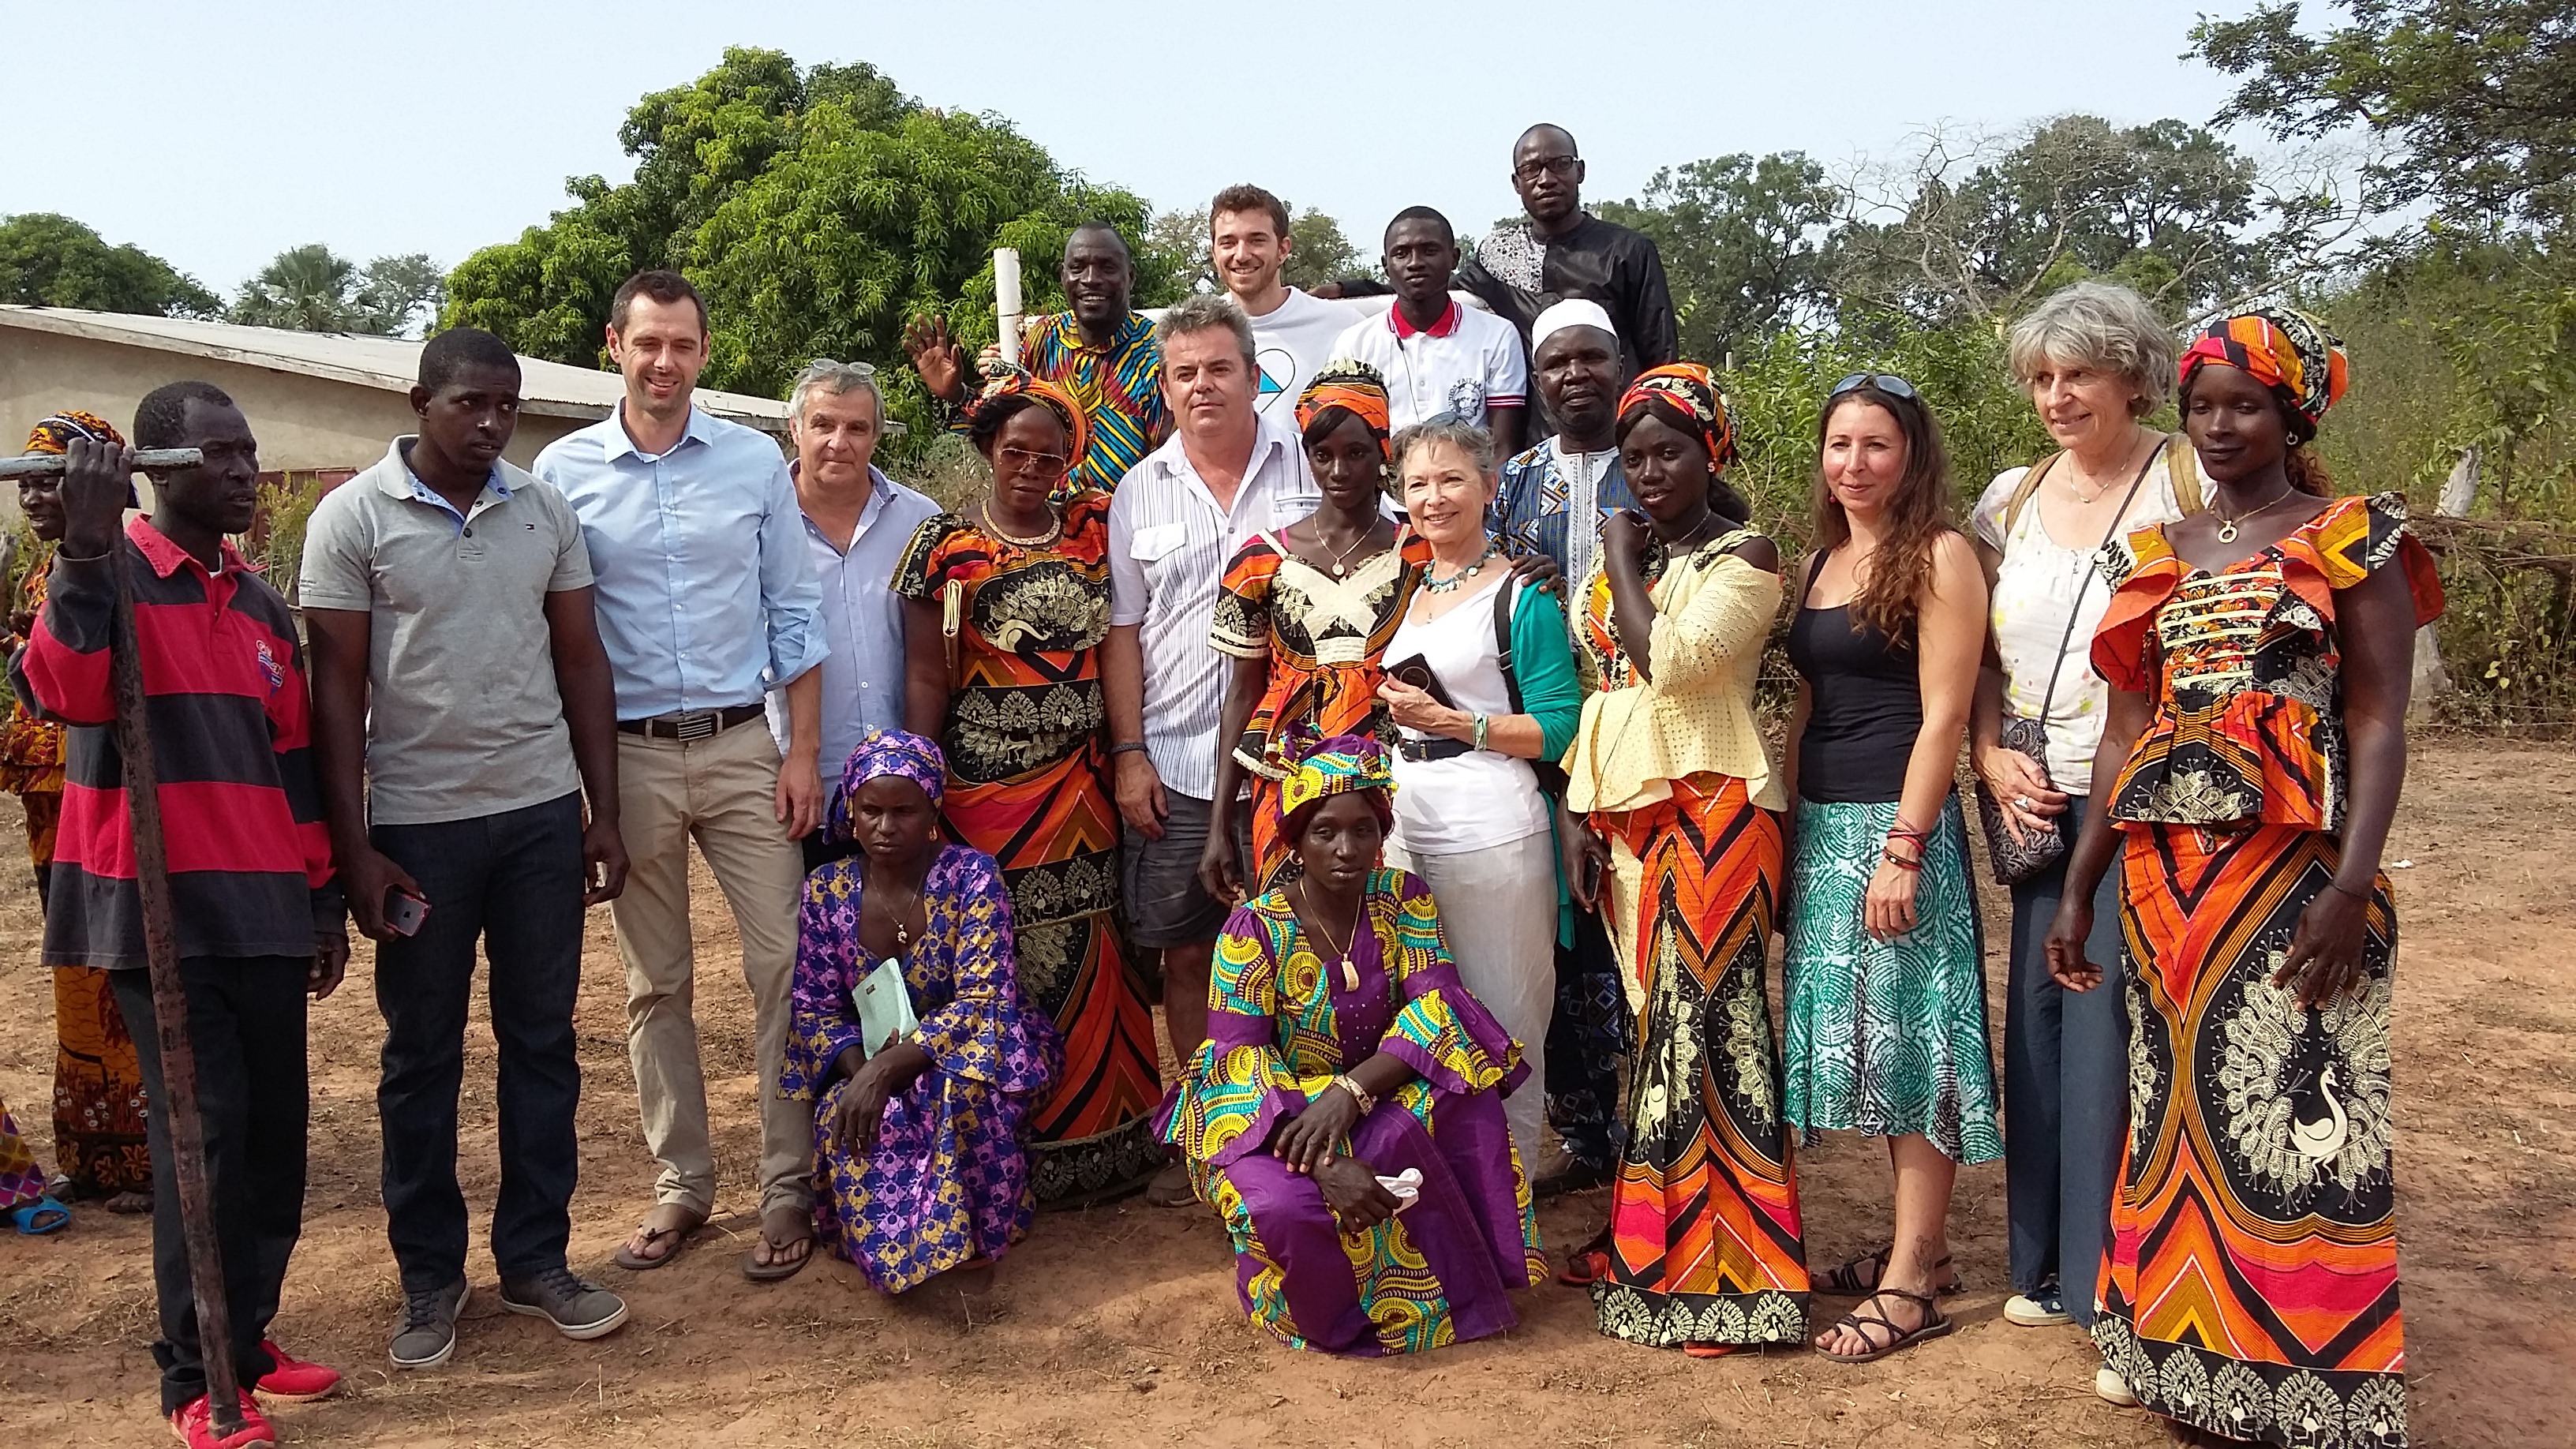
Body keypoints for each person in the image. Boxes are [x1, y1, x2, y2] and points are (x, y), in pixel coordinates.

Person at [2049, 310, 2432, 1449]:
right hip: (2166, 878)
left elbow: (2376, 720)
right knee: (2177, 1114)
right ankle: (2178, 1356)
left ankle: (2305, 1376)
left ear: (2295, 412)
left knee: (2291, 1112)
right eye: (2204, 403)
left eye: (2246, 405)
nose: (2219, 425)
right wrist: (2082, 885)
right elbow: (2126, 735)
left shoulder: (2351, 536)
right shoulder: (2158, 552)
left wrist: (2354, 887)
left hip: (2292, 876)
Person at [15, 384, 347, 1446]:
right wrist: (80, 546)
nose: (248, 471)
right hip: (154, 915)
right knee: (201, 1144)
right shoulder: (103, 572)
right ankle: (195, 1382)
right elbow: (60, 692)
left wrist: (322, 900)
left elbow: (292, 763)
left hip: (262, 909)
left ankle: (246, 1339)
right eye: (222, 454)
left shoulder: (257, 602)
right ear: (158, 468)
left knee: (273, 1143)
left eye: (251, 450)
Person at [301, 327, 632, 1369]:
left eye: (506, 405)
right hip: (417, 831)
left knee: (544, 1046)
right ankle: (429, 1282)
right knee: (420, 1060)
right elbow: (334, 693)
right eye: (470, 405)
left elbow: (582, 661)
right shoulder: (351, 519)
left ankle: (536, 1261)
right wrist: (354, 850)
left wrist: (602, 811)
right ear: (419, 401)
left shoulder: (542, 508)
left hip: (537, 817)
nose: (491, 423)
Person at [534, 270, 831, 1283]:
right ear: (614, 344)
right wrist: (582, 788)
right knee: (654, 982)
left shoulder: (752, 463)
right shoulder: (562, 473)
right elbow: (554, 637)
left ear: (705, 353)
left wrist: (800, 751)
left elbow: (795, 611)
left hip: (747, 747)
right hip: (628, 761)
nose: (665, 364)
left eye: (684, 347)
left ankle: (787, 1183)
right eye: (647, 344)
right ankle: (683, 1185)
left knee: (785, 964)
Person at [1967, 281, 2194, 1398]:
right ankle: (2049, 1262)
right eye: (2044, 379)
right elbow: (1974, 654)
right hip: (2036, 796)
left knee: (2117, 1025)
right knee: (2043, 1031)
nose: (2058, 398)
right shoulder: (2009, 499)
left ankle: (2125, 1283)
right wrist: (1984, 752)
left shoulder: (2187, 479)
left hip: (2152, 793)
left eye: (2080, 377)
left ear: (2135, 377)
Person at [1557, 365, 1810, 1356]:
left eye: (1669, 452)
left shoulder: (1746, 557)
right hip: (1627, 815)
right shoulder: (1642, 560)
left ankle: (1731, 1275)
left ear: (1714, 453)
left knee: (1712, 1035)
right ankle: (1652, 1250)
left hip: (1716, 815)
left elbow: (1673, 665)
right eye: (1635, 459)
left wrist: (1619, 555)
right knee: (1660, 1034)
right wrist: (1581, 811)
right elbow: (1600, 689)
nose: (1651, 473)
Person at [1160, 736, 1545, 1355]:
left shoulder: (1402, 900)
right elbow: (1238, 1065)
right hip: (1276, 1119)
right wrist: (1323, 1160)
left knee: (1469, 1104)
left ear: (1381, 834)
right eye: (1325, 832)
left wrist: (1353, 1091)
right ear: (1294, 840)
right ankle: (1326, 1314)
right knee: (1282, 1204)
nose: (1347, 850)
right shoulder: (1254, 929)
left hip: (1372, 1093)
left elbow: (1437, 1007)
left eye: (1364, 830)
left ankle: (1465, 1286)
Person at [894, 371, 1165, 1205]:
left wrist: (1126, 750)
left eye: (1051, 457)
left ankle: (1113, 1143)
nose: (1033, 469)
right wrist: (926, 784)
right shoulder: (942, 550)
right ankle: (1008, 1154)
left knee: (1096, 948)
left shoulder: (1092, 526)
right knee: (999, 952)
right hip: (986, 787)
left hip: (1084, 780)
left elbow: (1122, 634)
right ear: (986, 450)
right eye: (1017, 452)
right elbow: (924, 678)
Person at [1779, 373, 2000, 1363]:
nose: (1854, 464)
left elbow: (1946, 713)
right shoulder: (1823, 561)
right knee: (1863, 1046)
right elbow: (1808, 701)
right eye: (1840, 445)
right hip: (1823, 825)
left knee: (1918, 1049)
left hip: (1898, 828)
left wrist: (1902, 849)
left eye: (1876, 445)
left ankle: (1912, 1282)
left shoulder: (1942, 556)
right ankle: (1927, 1250)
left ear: (1911, 455)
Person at [1103, 294, 1321, 1206]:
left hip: (1296, 764)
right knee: (1187, 958)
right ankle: (1213, 1139)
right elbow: (1122, 630)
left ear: (1252, 374)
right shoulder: (1138, 490)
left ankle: (1297, 1137)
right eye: (1184, 371)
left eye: (1218, 368)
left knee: (1297, 954)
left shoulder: (1313, 466)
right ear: (1167, 379)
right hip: (1179, 764)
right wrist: (1129, 753)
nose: (1201, 385)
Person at [780, 731, 1062, 1294]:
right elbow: (812, 1010)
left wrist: (889, 1070)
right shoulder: (826, 890)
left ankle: (975, 1236)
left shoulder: (971, 876)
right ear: (850, 812)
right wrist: (863, 1075)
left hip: (975, 1044)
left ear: (933, 810)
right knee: (858, 1114)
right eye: (871, 811)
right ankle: (904, 1253)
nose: (886, 827)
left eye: (903, 811)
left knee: (961, 1091)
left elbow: (985, 999)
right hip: (863, 1060)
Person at [1372, 416, 1577, 1170]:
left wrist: (1457, 723)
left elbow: (1559, 727)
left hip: (1492, 832)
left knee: (1506, 1015)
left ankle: (1510, 1212)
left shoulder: (1521, 595)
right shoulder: (1410, 585)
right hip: (1405, 825)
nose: (1434, 498)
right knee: (1419, 1017)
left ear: (1490, 487)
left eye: (1453, 478)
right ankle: (1439, 1207)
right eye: (1418, 484)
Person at [1487, 298, 1641, 1193]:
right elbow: (1494, 583)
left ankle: (1659, 1126)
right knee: (1566, 938)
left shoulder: (1658, 460)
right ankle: (1587, 1136)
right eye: (1556, 364)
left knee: (1638, 932)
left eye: (1591, 358)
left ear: (1619, 364)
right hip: (1548, 739)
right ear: (1537, 382)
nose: (1574, 375)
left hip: (1641, 729)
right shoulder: (1518, 478)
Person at [1204, 361, 1428, 900]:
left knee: (1393, 928)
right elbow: (1241, 693)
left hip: (1394, 778)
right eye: (1322, 455)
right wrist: (1218, 826)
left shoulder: (1422, 552)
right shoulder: (1260, 560)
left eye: (1356, 453)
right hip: (1285, 775)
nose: (1338, 471)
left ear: (1383, 453)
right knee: (1291, 932)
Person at [9, 412, 152, 1215]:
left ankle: (146, 1153)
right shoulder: (39, 575)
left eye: (50, 478)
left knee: (123, 974)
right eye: (23, 482)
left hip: (111, 800)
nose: (33, 496)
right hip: (49, 800)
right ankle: (96, 1154)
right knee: (78, 979)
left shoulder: (127, 568)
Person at [777, 358, 942, 869]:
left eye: (857, 427)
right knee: (805, 940)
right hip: (799, 784)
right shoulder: (760, 522)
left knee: (902, 937)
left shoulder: (922, 521)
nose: (838, 442)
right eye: (823, 424)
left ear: (877, 436)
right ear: (795, 428)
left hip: (902, 790)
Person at [907, 223, 1168, 497]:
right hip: (1039, 523)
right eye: (1078, 267)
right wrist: (954, 393)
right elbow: (998, 425)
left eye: (1107, 267)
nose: (1091, 279)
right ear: (1063, 275)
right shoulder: (1043, 339)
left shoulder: (1158, 355)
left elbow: (1169, 464)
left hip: (1125, 525)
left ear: (1131, 276)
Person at [1458, 125, 1679, 393]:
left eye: (1559, 164)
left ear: (1580, 171)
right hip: (1537, 431)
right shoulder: (1500, 253)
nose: (1546, 179)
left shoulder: (1628, 251)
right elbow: (1436, 293)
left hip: (1617, 425)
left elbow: (1662, 358)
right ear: (1517, 183)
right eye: (1531, 170)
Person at [1329, 209, 1527, 456]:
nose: (1415, 263)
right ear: (1386, 265)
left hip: (1468, 491)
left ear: (1454, 258)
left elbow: (1503, 448)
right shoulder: (1354, 344)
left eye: (1429, 251)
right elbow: (1347, 443)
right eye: (1401, 254)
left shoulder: (1497, 336)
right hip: (1383, 494)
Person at [1208, 184, 1354, 421]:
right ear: (1214, 253)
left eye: (1256, 240)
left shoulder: (1343, 328)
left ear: (1283, 249)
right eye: (1228, 243)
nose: (1242, 255)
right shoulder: (1195, 335)